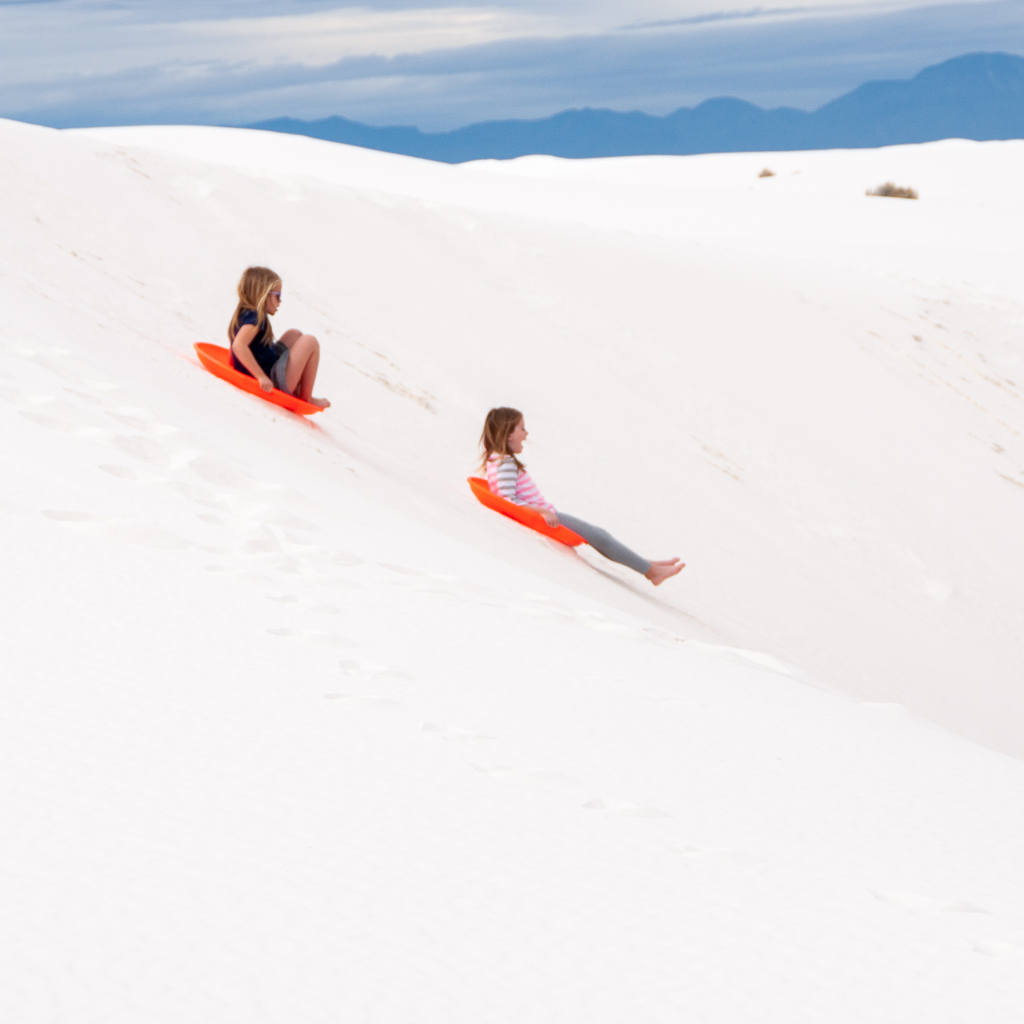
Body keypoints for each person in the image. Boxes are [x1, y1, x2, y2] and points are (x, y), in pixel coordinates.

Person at [480, 407, 684, 586]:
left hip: (545, 514)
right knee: (598, 537)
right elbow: (508, 501)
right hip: (547, 517)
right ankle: (652, 572)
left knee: (599, 534)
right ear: (508, 435)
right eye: (522, 428)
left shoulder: (496, 459)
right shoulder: (505, 463)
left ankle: (646, 564)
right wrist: (542, 511)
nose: (526, 434)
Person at [227, 266, 330, 408]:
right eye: (278, 296)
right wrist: (261, 377)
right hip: (271, 379)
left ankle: (300, 384)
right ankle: (306, 397)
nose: (280, 301)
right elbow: (238, 345)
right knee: (310, 342)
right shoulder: (255, 319)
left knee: (294, 334)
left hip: (269, 367)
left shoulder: (247, 313)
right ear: (263, 294)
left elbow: (238, 344)